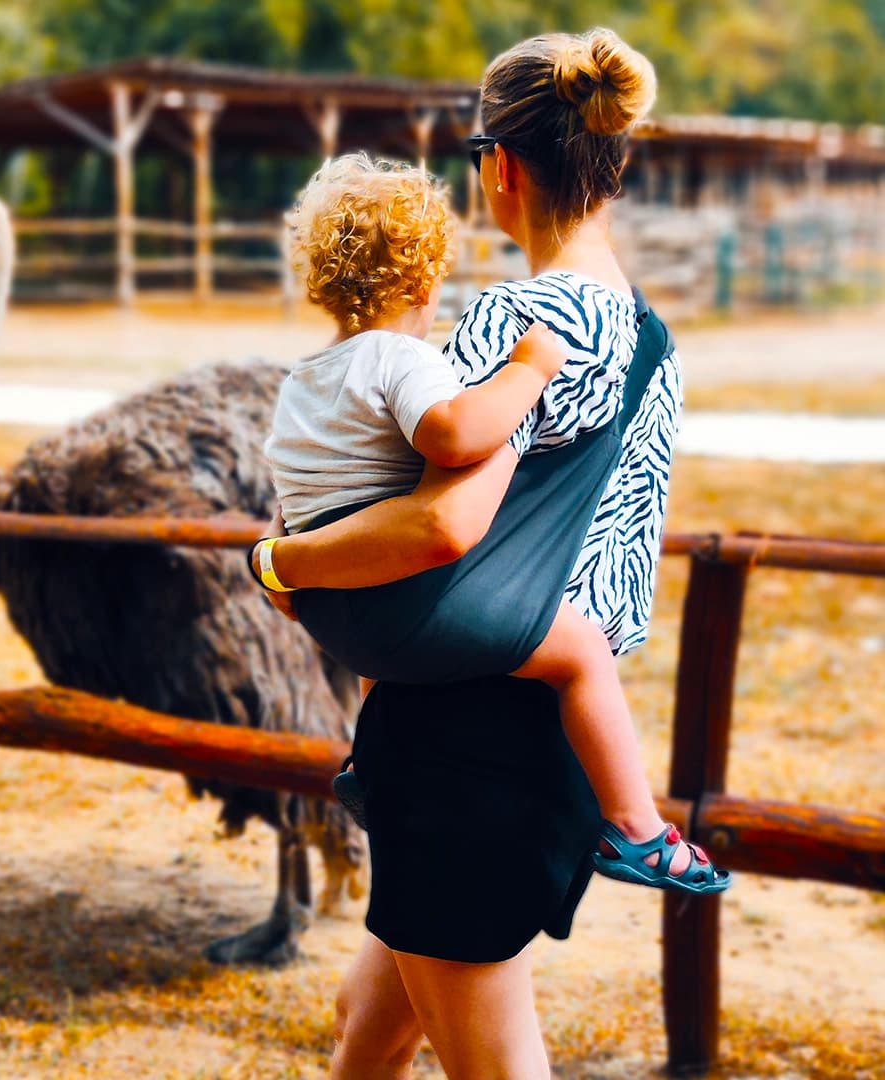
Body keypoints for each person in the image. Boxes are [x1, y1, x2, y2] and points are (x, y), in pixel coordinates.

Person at [253, 28, 725, 1079]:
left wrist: (280, 563)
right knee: (366, 1029)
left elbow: (435, 524)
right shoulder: (650, 335)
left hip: (467, 730)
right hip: (554, 721)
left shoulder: (515, 322)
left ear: (500, 168)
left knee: (494, 1064)